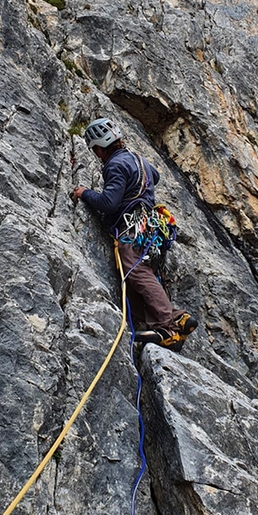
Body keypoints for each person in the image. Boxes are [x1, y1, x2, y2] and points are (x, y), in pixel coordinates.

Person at [72, 117, 197, 352]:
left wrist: (84, 192)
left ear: (100, 147)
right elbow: (156, 176)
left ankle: (167, 326)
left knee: (137, 272)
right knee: (135, 280)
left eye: (96, 150)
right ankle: (178, 319)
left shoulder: (115, 165)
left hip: (132, 228)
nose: (97, 155)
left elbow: (108, 203)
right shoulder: (137, 159)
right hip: (149, 229)